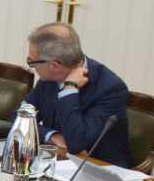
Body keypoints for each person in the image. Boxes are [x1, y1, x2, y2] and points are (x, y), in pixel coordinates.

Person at [21, 22, 130, 166]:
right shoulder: (47, 80)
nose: (32, 66)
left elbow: (75, 143)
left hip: (99, 171)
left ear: (54, 65)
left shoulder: (110, 88)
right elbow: (19, 118)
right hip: (57, 162)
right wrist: (51, 135)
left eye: (32, 61)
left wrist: (69, 90)